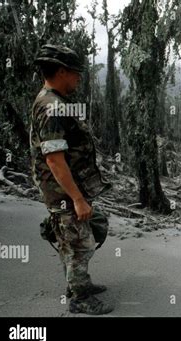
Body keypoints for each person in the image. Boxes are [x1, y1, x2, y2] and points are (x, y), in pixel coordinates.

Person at [30, 44, 113, 315]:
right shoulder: (52, 106)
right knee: (80, 243)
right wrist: (76, 198)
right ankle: (79, 297)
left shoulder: (55, 101)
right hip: (64, 192)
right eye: (76, 73)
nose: (79, 78)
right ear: (62, 71)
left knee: (85, 232)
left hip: (69, 188)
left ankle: (80, 283)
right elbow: (54, 159)